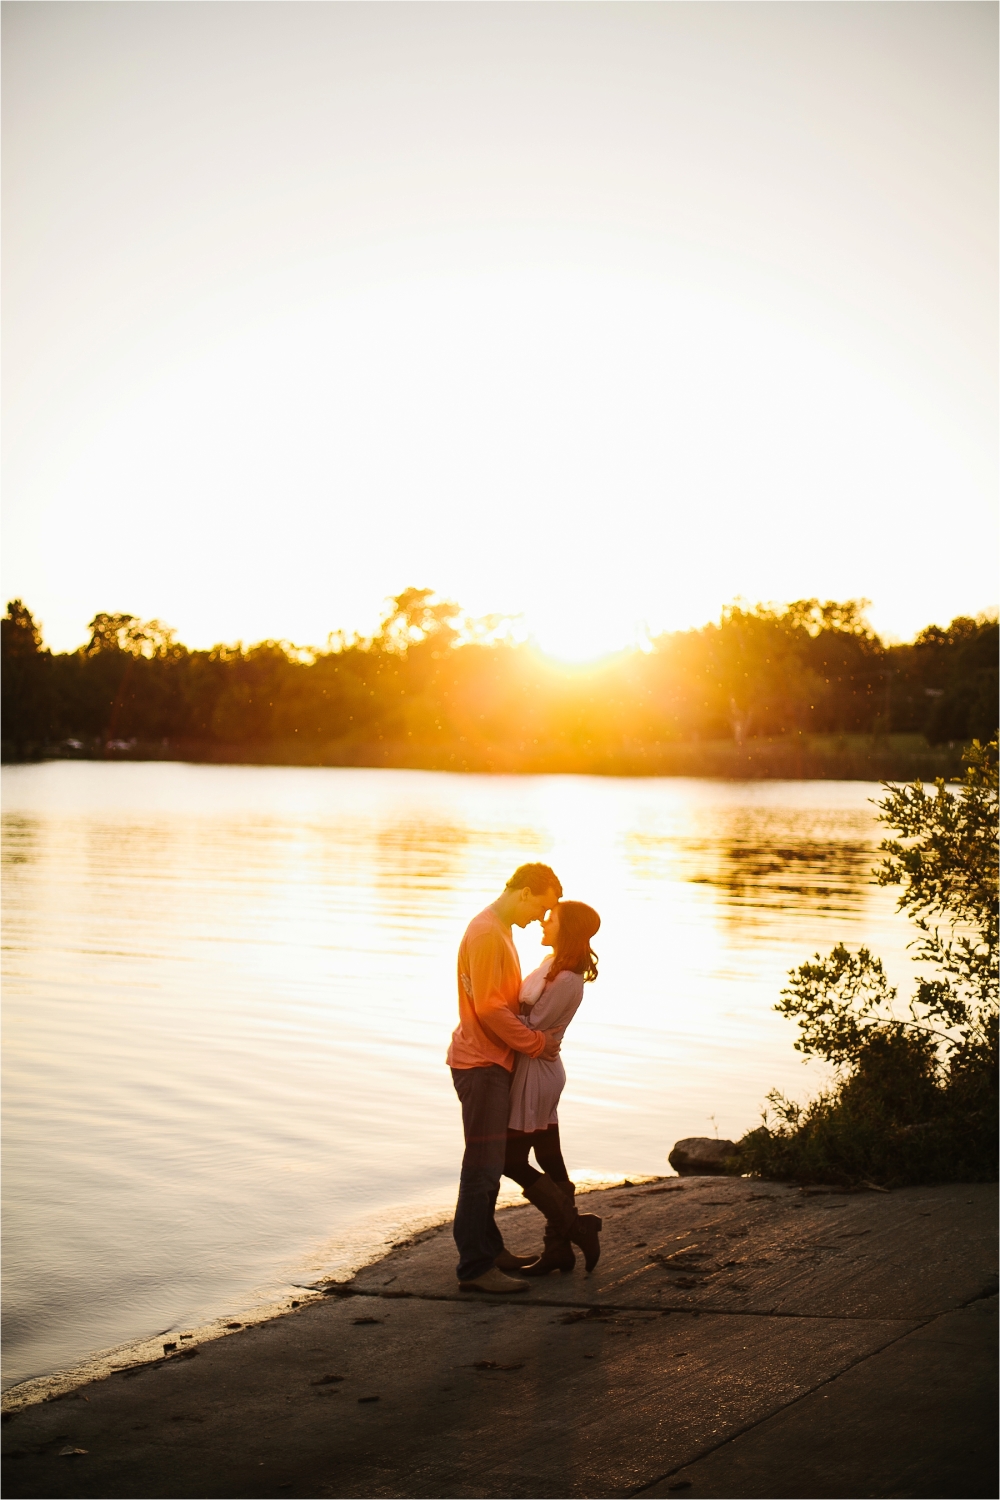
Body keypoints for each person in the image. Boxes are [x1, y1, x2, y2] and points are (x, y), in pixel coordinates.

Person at [446, 863, 564, 1294]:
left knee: (490, 1166)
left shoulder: (500, 929)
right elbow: (490, 1010)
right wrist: (535, 1043)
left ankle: (490, 1249)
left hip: (491, 1061)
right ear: (525, 892)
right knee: (481, 1169)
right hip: (480, 1064)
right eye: (542, 907)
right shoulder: (486, 933)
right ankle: (475, 1269)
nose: (540, 918)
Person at [503, 901, 603, 1275]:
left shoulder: (567, 980)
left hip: (537, 1073)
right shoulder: (550, 965)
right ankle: (559, 1249)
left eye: (552, 918)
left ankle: (575, 1227)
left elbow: (532, 1024)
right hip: (536, 1066)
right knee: (549, 1157)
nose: (544, 921)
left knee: (508, 1161)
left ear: (567, 929)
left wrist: (491, 1008)